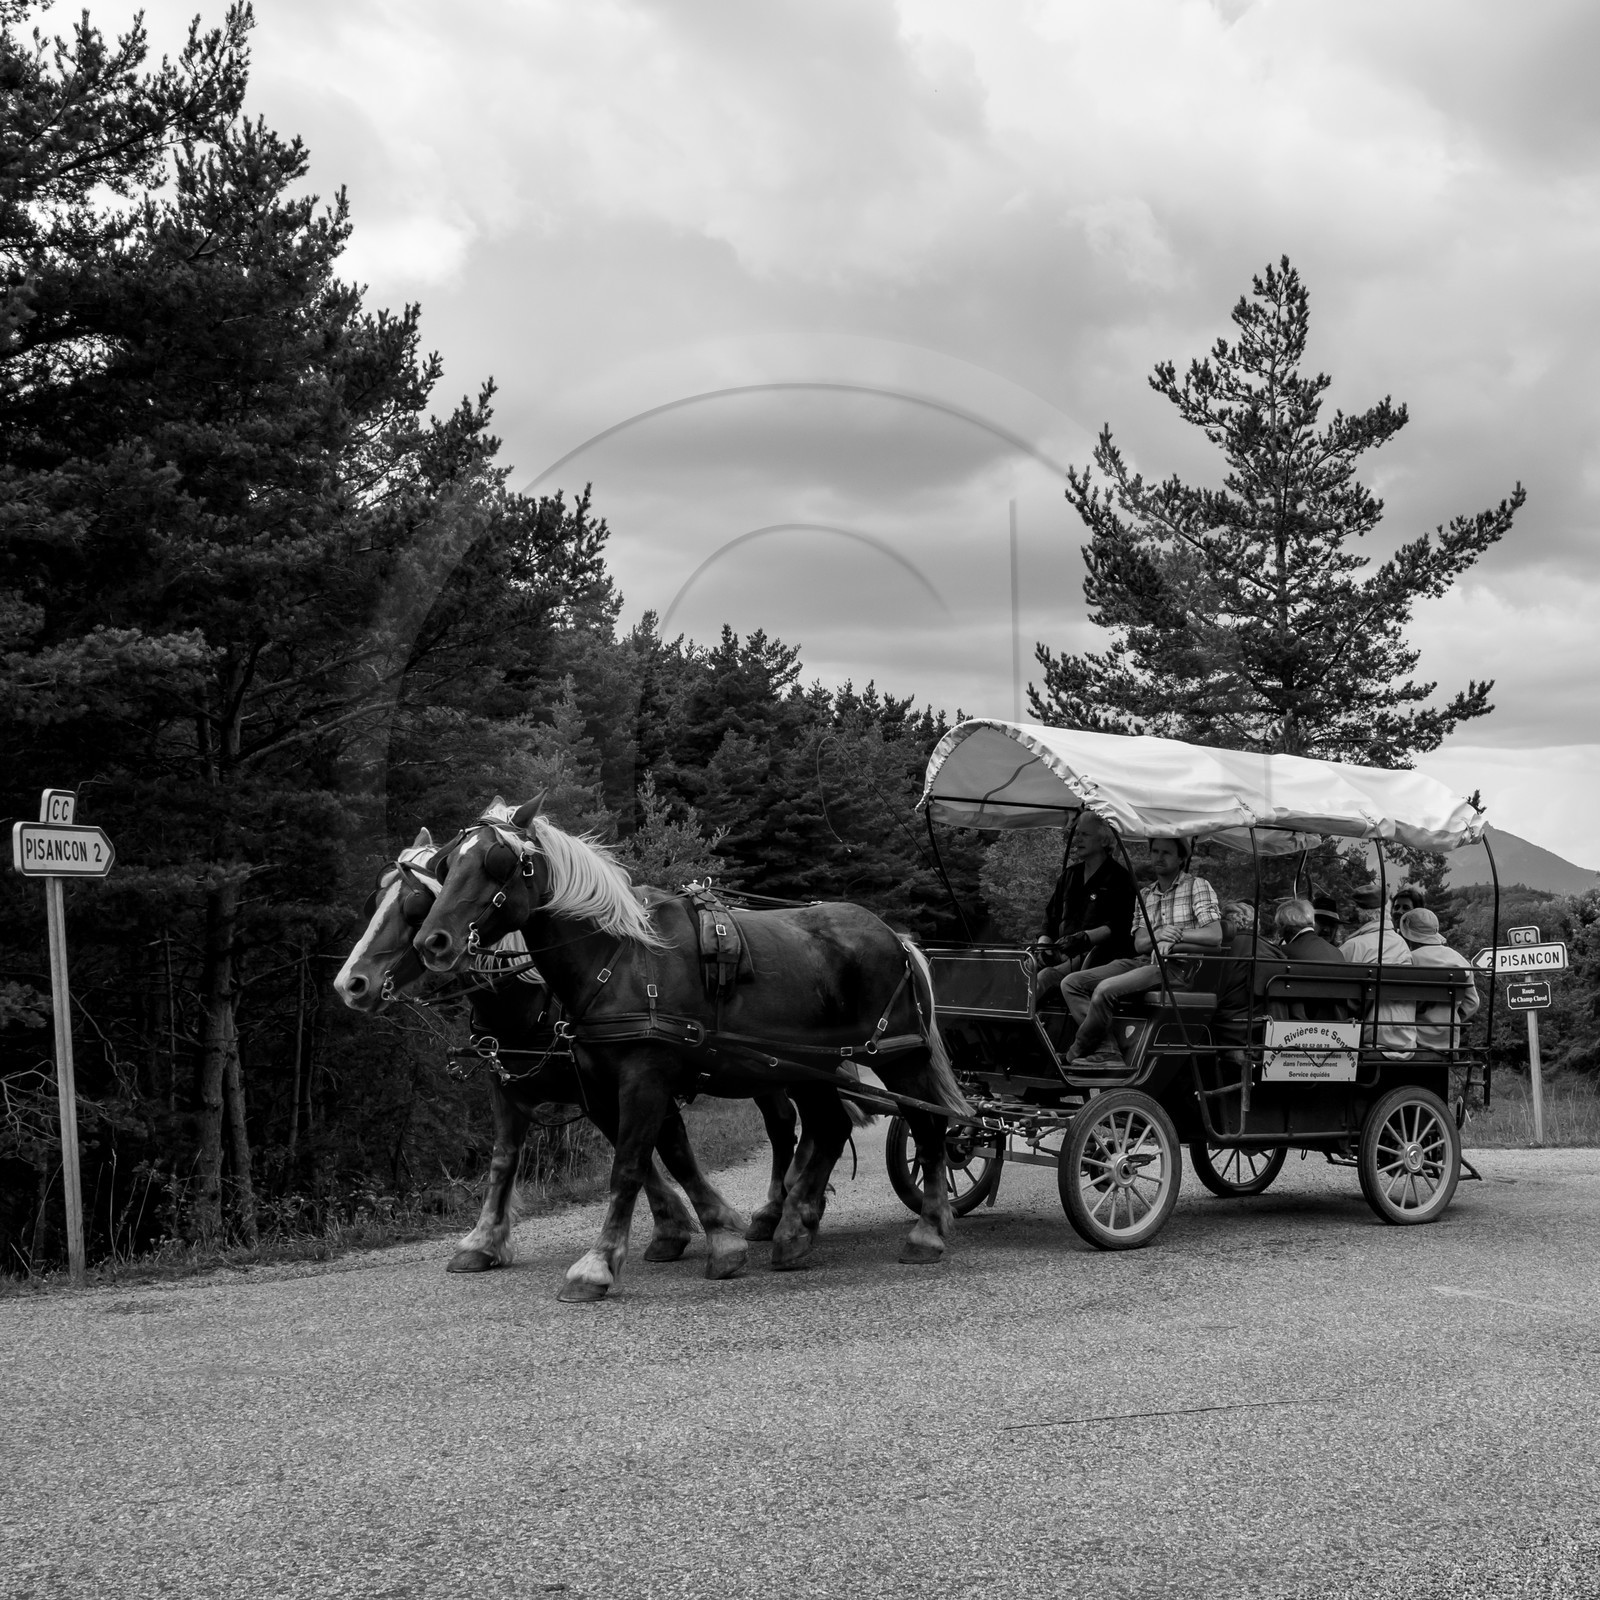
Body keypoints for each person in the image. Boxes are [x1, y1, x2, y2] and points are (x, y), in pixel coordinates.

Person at [1059, 836, 1222, 1068]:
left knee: (1105, 989)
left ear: (1181, 858)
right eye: (1155, 851)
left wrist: (1173, 937)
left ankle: (1075, 1050)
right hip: (1143, 961)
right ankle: (1107, 1049)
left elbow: (1214, 935)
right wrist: (1160, 936)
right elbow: (1140, 943)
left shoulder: (1197, 886)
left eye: (1166, 852)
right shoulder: (1146, 894)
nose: (1158, 857)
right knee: (1071, 983)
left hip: (1177, 968)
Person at [1031, 812, 1138, 997]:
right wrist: (1043, 949)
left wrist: (1083, 938)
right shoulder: (1069, 876)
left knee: (1044, 978)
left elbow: (1121, 926)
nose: (1077, 840)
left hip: (1098, 958)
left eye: (1085, 835)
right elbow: (1050, 920)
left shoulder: (1120, 879)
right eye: (1077, 834)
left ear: (1104, 841)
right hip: (1060, 954)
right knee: (1022, 970)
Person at [1340, 886, 1415, 1057]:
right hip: (1404, 1038)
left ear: (1360, 913)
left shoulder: (1352, 947)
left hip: (1367, 1037)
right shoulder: (1401, 945)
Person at [1399, 907, 1480, 1050]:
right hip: (1448, 1042)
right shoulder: (1459, 960)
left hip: (1413, 1039)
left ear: (1408, 936)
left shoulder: (1409, 960)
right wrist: (1453, 1019)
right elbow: (1473, 1002)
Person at [1272, 898, 1350, 1020]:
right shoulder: (1337, 953)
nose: (1280, 933)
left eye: (1279, 928)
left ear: (1286, 927)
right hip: (1338, 1026)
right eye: (1322, 923)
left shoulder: (1284, 954)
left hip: (1302, 1029)